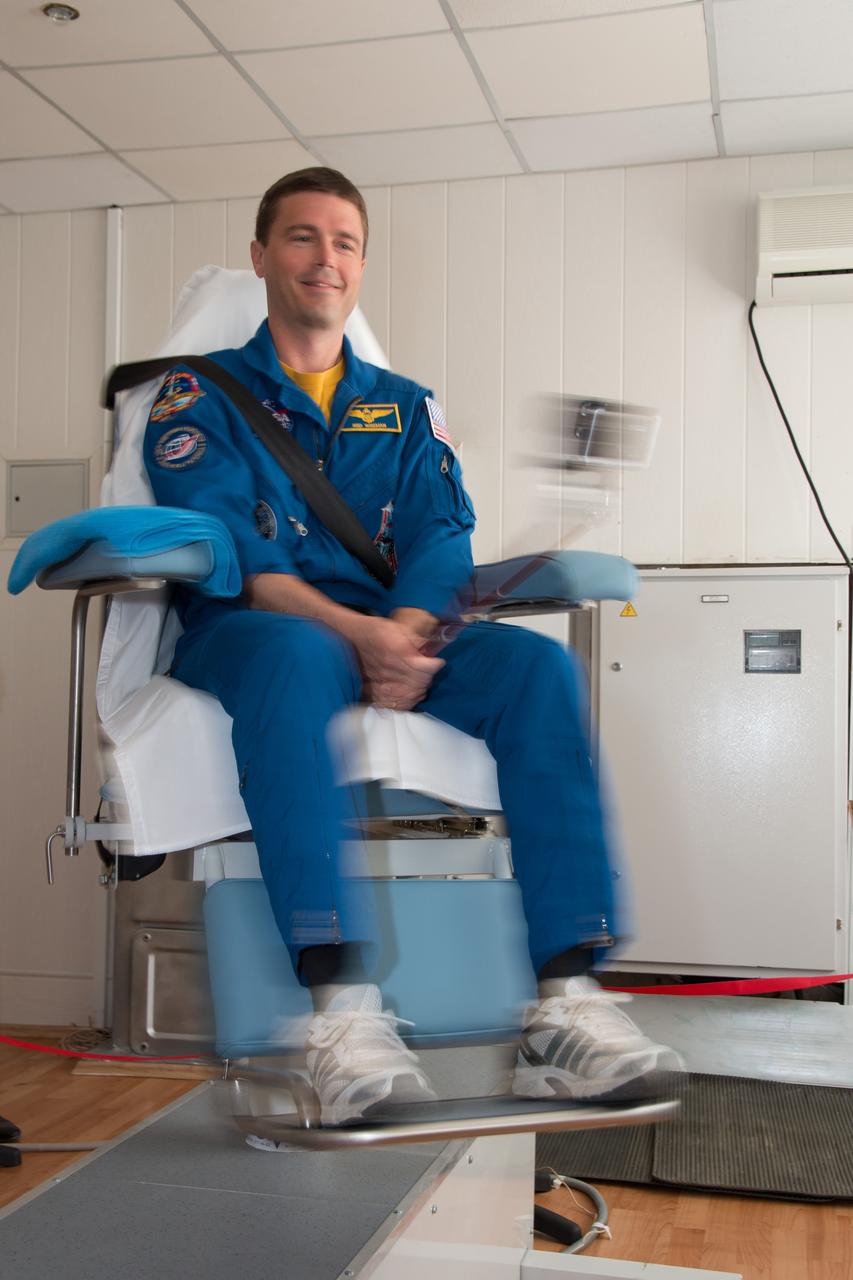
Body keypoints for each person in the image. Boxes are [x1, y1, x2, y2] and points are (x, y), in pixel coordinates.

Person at [143, 167, 680, 1127]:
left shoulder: (405, 406)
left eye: (344, 241)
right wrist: (361, 635)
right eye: (302, 237)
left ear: (360, 265)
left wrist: (401, 632)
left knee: (534, 668)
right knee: (295, 654)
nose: (325, 257)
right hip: (255, 631)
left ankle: (565, 1003)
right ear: (262, 256)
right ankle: (339, 1015)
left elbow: (441, 541)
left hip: (392, 632)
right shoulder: (199, 398)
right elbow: (236, 551)